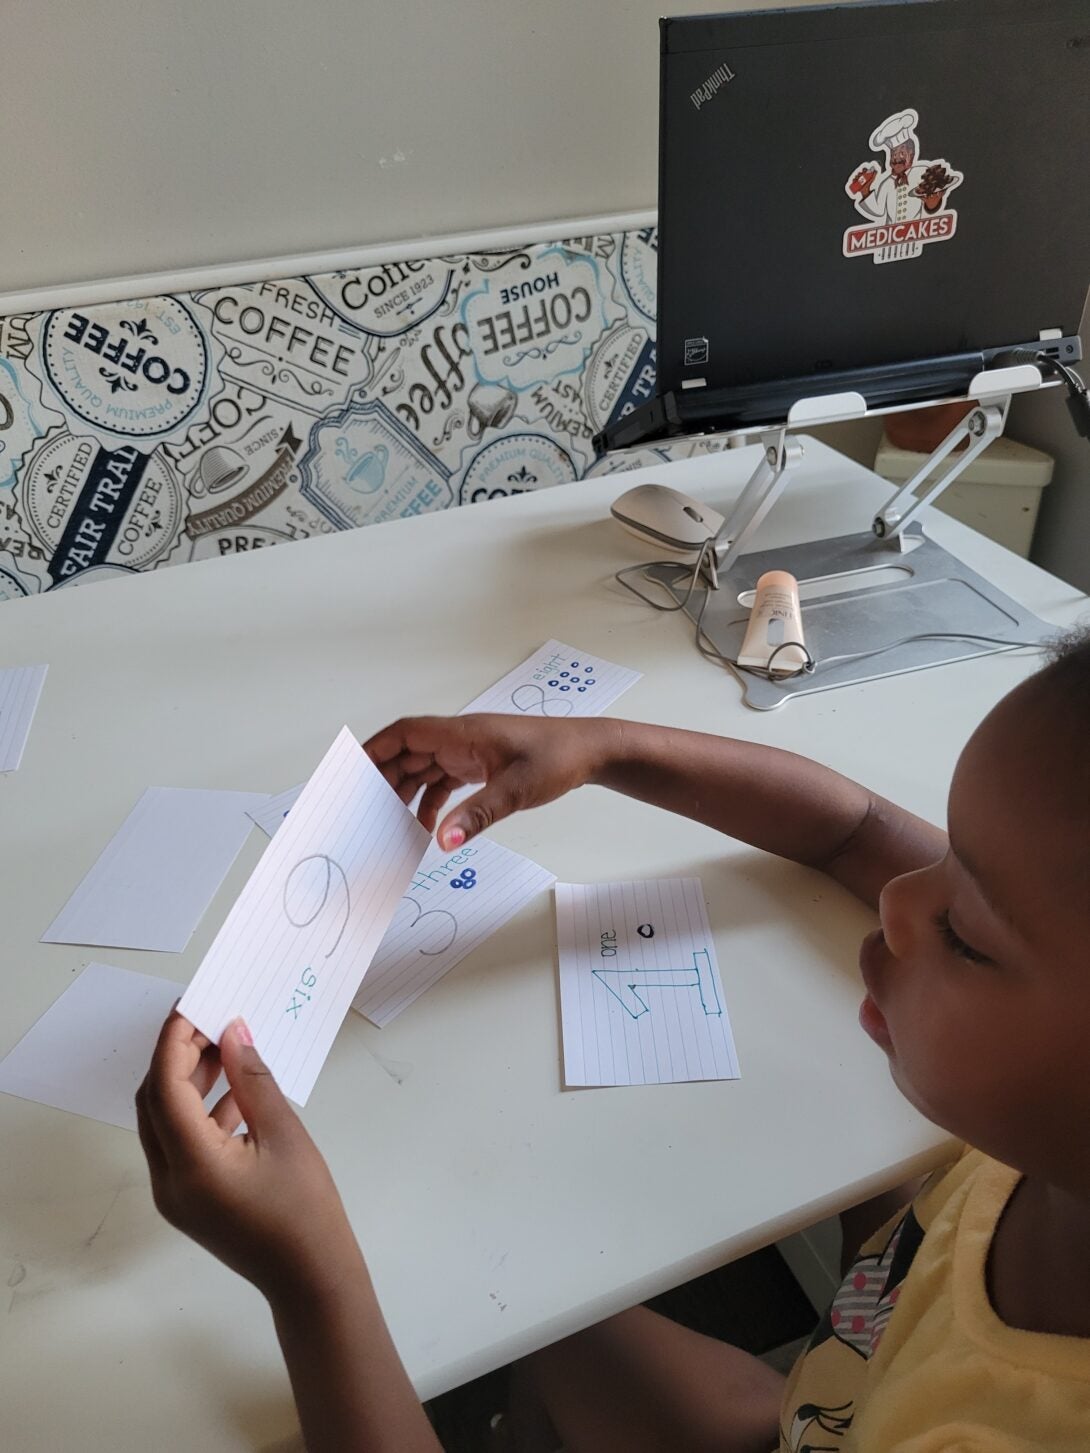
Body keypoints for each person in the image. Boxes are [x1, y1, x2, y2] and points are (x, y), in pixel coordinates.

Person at [137, 629, 1090, 1451]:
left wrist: (309, 1280)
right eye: (946, 863)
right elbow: (855, 829)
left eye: (965, 932)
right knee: (514, 1310)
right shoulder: (1044, 1150)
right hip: (833, 1405)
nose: (898, 897)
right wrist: (602, 748)